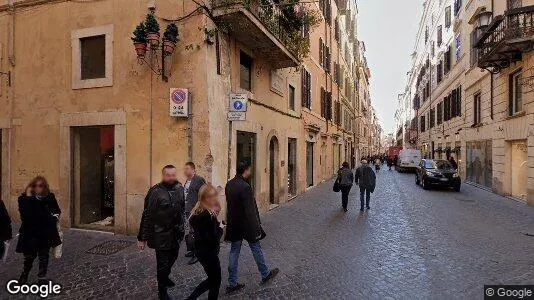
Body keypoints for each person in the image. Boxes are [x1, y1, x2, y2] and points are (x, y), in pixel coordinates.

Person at [225, 161, 279, 294]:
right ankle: (265, 274)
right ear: (245, 170)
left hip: (234, 223)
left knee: (234, 252)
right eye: (249, 170)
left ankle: (232, 283)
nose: (251, 172)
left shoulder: (229, 184)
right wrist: (257, 228)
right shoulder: (245, 187)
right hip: (247, 225)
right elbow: (250, 210)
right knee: (256, 249)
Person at [138, 165, 185, 300]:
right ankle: (162, 293)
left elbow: (182, 209)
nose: (171, 178)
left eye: (173, 175)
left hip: (176, 234)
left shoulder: (179, 188)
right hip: (161, 235)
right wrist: (142, 238)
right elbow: (147, 215)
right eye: (168, 175)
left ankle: (164, 277)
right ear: (163, 175)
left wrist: (183, 227)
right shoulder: (155, 192)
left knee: (174, 257)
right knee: (162, 264)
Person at [16, 176, 61, 284]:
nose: (37, 188)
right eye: (34, 185)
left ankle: (41, 278)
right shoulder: (24, 199)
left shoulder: (49, 197)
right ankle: (24, 274)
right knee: (29, 257)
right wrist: (28, 194)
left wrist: (53, 219)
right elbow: (24, 214)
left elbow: (57, 210)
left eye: (40, 186)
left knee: (44, 256)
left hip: (45, 232)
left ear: (44, 187)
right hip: (30, 232)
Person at [186, 184, 224, 300]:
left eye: (214, 196)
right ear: (204, 198)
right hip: (209, 254)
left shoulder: (197, 212)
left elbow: (203, 233)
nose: (214, 199)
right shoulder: (207, 216)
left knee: (212, 279)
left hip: (201, 253)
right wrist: (220, 227)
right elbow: (212, 239)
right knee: (215, 280)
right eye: (211, 196)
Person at [183, 161, 206, 265]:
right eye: (185, 169)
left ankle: (197, 254)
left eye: (187, 168)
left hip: (195, 211)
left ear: (193, 169)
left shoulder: (199, 180)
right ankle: (192, 251)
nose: (185, 170)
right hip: (187, 210)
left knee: (196, 233)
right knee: (190, 232)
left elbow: (203, 195)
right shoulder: (187, 180)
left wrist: (197, 209)